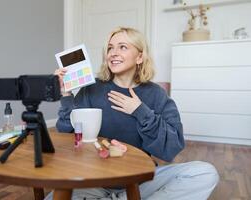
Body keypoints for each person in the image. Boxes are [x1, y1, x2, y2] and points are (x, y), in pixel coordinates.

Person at [46, 27, 219, 200]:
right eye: (110, 48)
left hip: (141, 180)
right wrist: (66, 94)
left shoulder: (156, 94)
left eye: (122, 47)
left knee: (204, 173)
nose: (113, 53)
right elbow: (68, 134)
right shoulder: (92, 89)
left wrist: (140, 111)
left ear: (139, 57)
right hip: (96, 180)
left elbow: (171, 147)